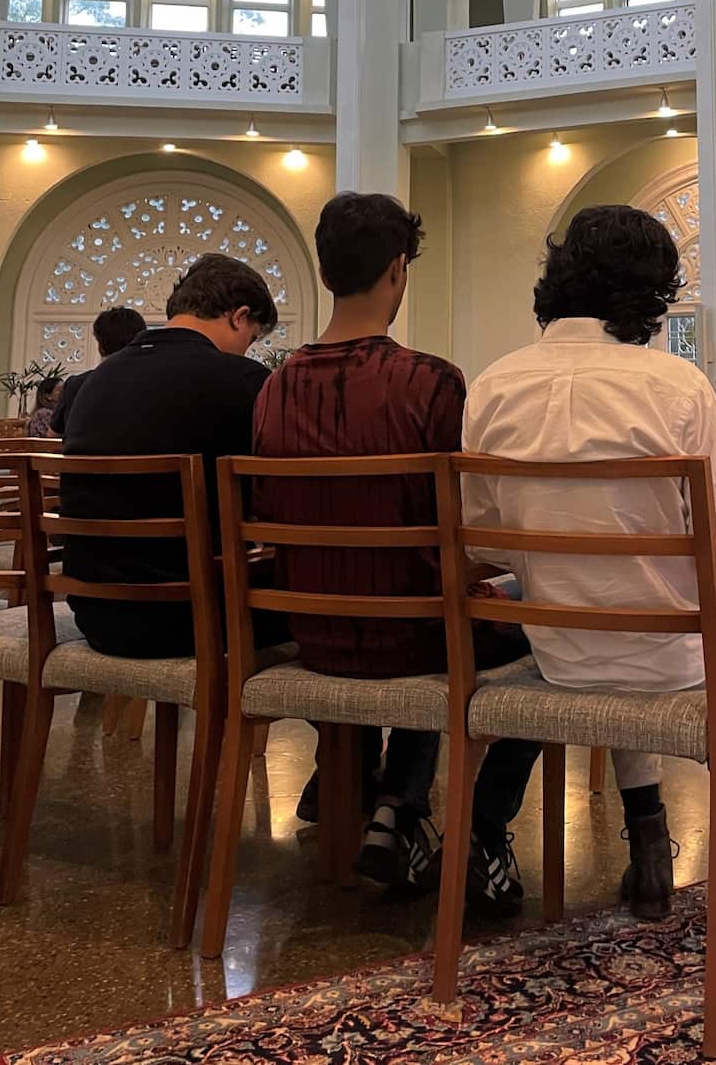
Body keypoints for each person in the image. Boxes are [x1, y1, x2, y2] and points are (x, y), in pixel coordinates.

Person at [463, 205, 716, 931]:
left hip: (560, 653)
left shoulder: (492, 383)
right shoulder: (676, 386)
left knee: (635, 616)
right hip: (673, 660)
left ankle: (649, 855)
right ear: (652, 292)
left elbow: (488, 539)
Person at [254, 191, 536, 913]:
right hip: (416, 636)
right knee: (490, 610)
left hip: (311, 632)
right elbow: (467, 524)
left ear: (326, 274)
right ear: (398, 270)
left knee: (432, 600)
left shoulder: (273, 388)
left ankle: (392, 807)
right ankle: (411, 812)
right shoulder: (432, 381)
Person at [60, 253, 283, 658]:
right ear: (239, 316)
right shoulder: (240, 380)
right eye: (251, 340)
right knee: (333, 602)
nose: (247, 353)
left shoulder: (94, 382)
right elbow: (271, 501)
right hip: (195, 616)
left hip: (97, 614)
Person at [51, 306, 148, 436]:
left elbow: (53, 435)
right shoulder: (155, 384)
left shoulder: (75, 385)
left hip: (83, 455)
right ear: (140, 341)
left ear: (100, 347)